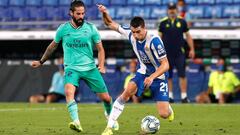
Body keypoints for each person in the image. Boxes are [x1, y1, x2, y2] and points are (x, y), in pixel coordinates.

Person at [31, 0, 118, 132]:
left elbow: (100, 49)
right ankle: (76, 122)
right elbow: (52, 47)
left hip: (90, 68)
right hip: (72, 68)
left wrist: (101, 65)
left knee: (106, 98)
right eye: (78, 13)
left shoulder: (91, 28)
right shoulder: (63, 29)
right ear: (71, 13)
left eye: (83, 13)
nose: (81, 16)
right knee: (68, 92)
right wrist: (41, 61)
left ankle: (110, 116)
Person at [98, 4, 174, 135]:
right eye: (133, 32)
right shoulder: (131, 35)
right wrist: (104, 13)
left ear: (144, 28)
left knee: (164, 114)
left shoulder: (155, 41)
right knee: (125, 94)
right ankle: (109, 128)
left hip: (158, 76)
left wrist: (152, 77)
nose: (135, 35)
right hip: (142, 72)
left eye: (138, 32)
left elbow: (166, 65)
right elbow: (110, 24)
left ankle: (169, 109)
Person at [158, 2, 195, 103]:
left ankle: (184, 96)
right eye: (170, 9)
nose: (172, 11)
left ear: (176, 10)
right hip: (166, 54)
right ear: (167, 10)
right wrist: (157, 52)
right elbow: (159, 38)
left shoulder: (182, 21)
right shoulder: (163, 22)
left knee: (182, 74)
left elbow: (188, 36)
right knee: (168, 75)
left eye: (173, 9)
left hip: (179, 53)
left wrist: (192, 49)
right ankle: (170, 96)